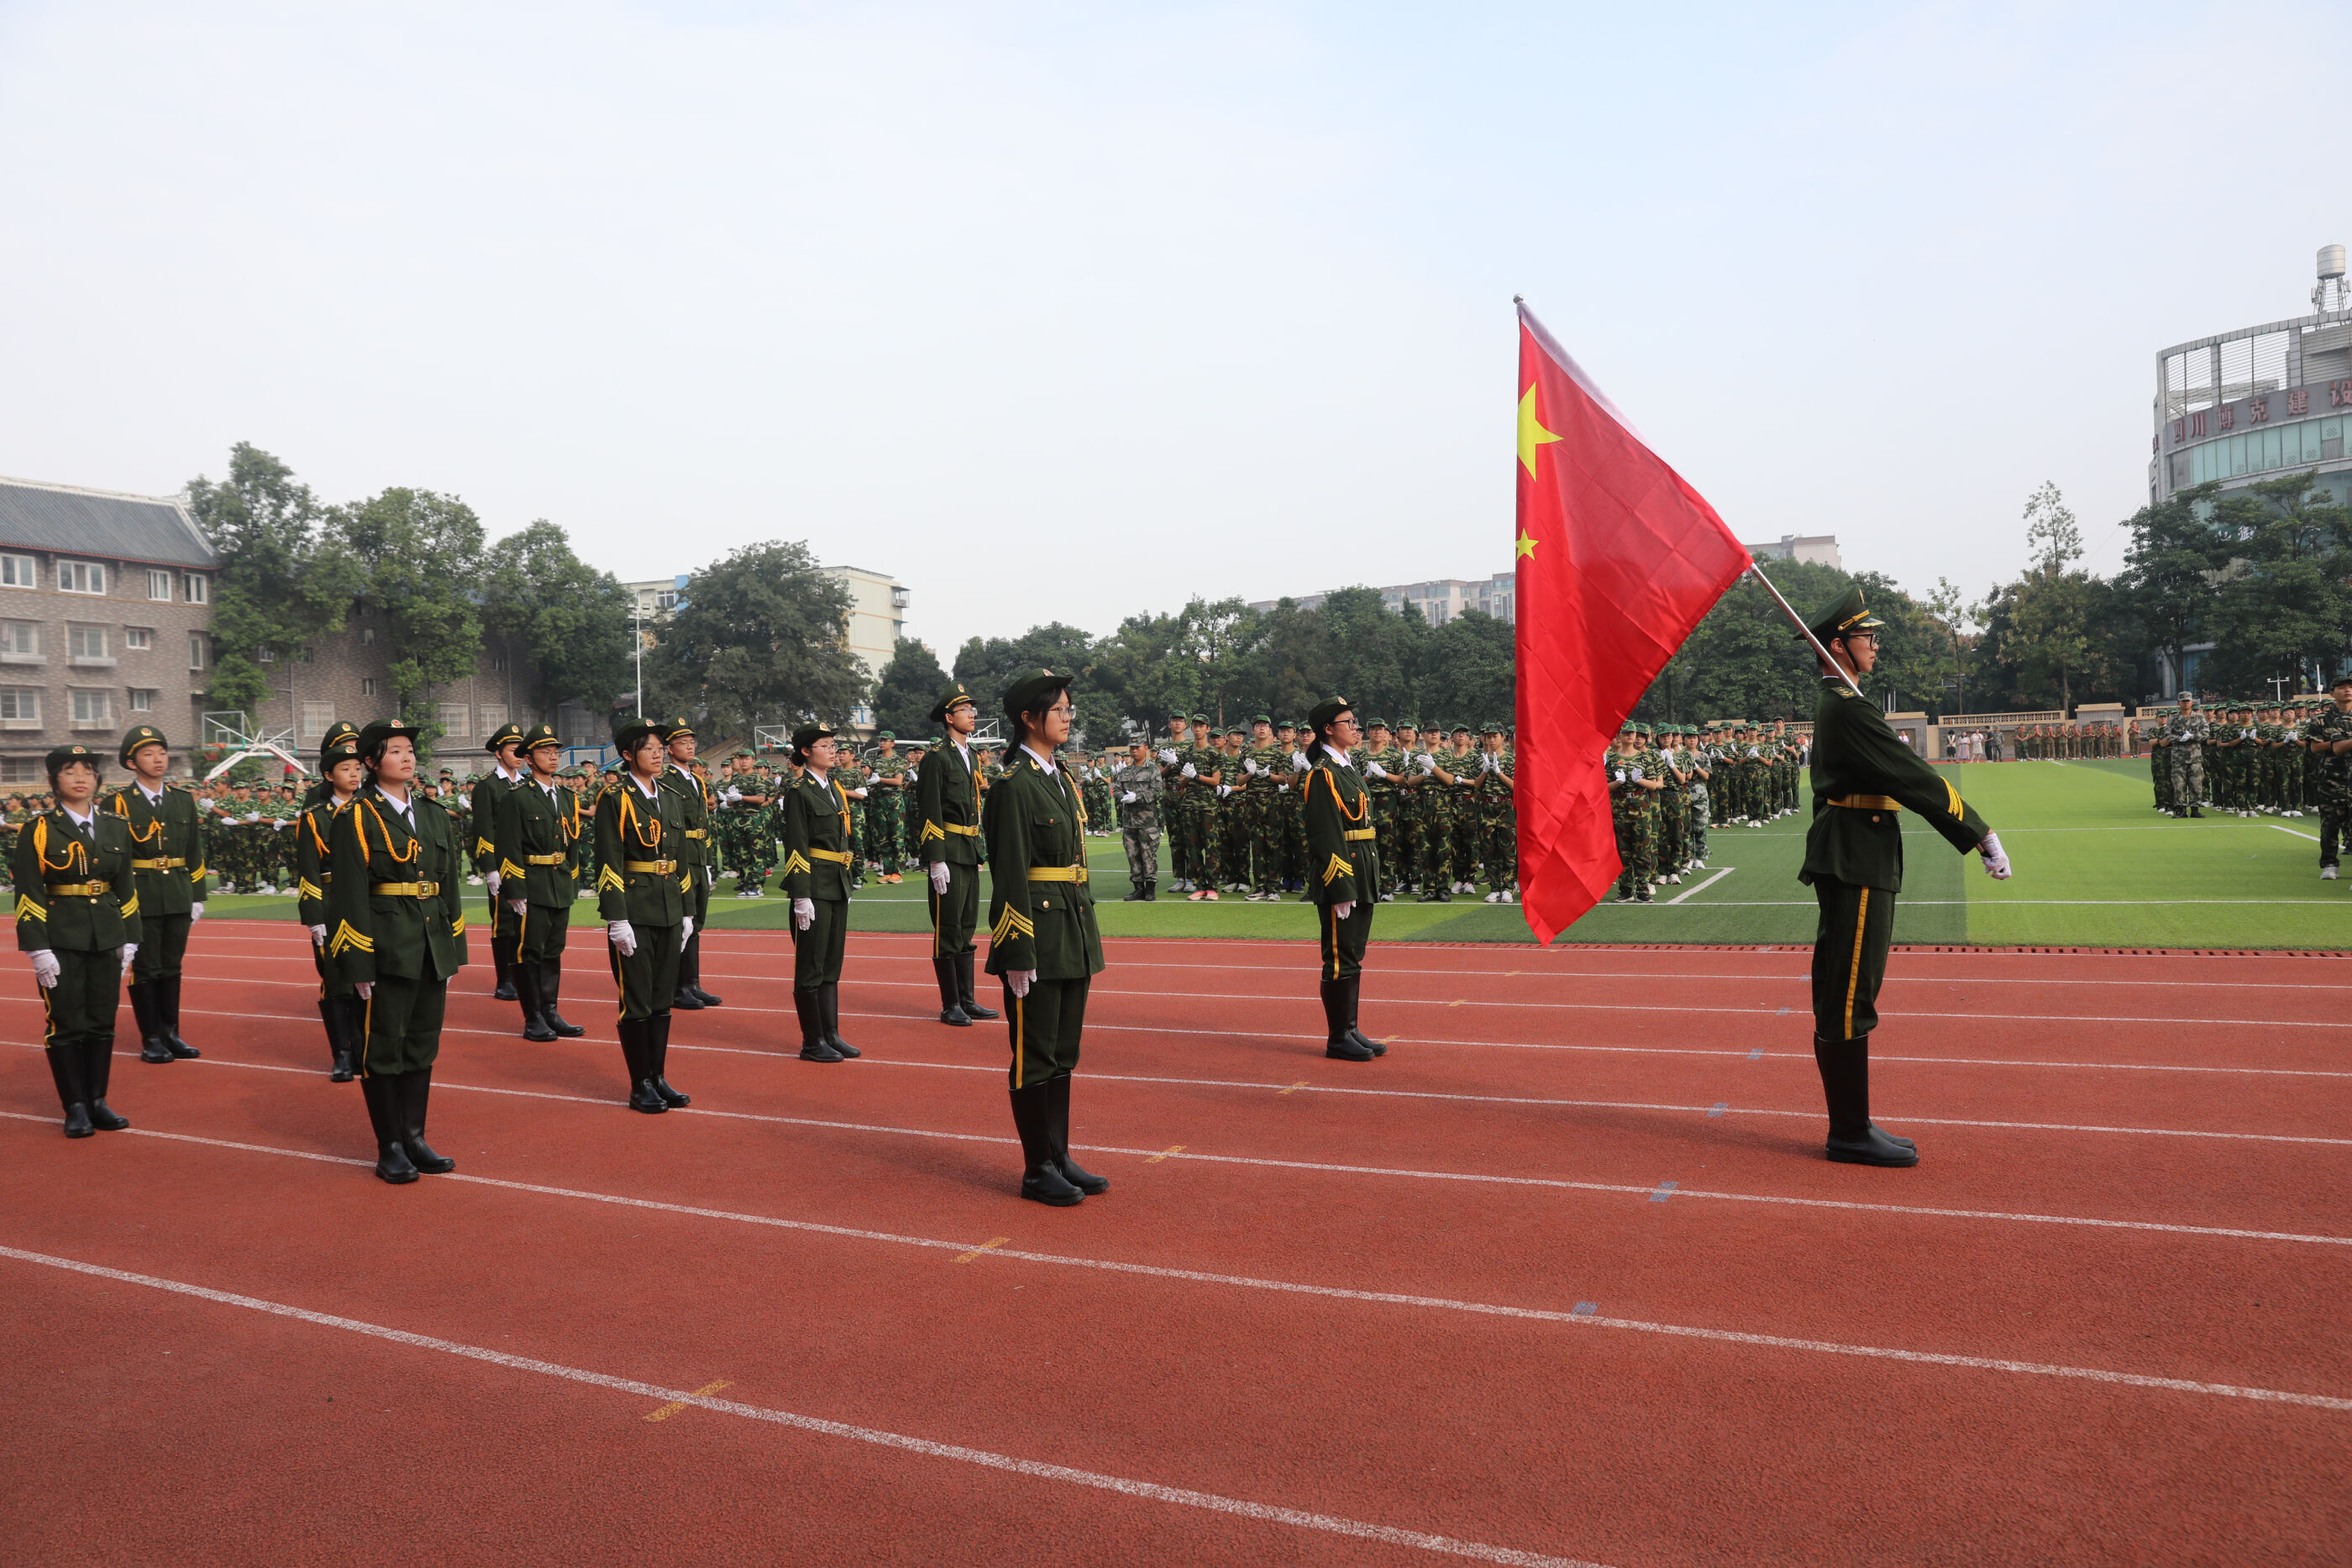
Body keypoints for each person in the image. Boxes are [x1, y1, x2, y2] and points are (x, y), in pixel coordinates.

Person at [1798, 588, 2008, 1168]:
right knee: (1849, 992)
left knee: (1845, 987)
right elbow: (1911, 776)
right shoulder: (1847, 706)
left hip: (1853, 849)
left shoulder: (1843, 701)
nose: (1875, 644)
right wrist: (1979, 832)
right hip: (1856, 855)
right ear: (1838, 645)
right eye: (1865, 636)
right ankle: (1848, 1132)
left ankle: (1854, 1122)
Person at [983, 669, 1107, 1206]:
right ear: (1028, 718)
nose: (1067, 717)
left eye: (1068, 709)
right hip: (1035, 933)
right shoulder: (1014, 785)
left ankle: (1059, 1155)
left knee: (1063, 1053)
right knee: (1034, 1053)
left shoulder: (1059, 777)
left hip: (1072, 928)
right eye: (1058, 710)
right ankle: (1037, 1169)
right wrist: (1016, 949)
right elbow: (1010, 872)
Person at [324, 718, 468, 1183]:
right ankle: (389, 1146)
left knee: (423, 1043)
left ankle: (414, 1137)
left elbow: (448, 884)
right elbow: (348, 893)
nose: (407, 757)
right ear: (371, 762)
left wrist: (452, 948)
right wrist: (358, 962)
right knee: (384, 1046)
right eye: (395, 751)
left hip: (430, 944)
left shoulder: (431, 812)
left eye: (409, 749)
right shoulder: (356, 816)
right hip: (386, 945)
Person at [17, 744, 139, 1137]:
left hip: (107, 935)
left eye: (87, 770)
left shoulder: (115, 825)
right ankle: (75, 1106)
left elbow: (126, 887)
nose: (80, 778)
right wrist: (38, 949)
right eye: (70, 771)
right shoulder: (38, 829)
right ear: (54, 780)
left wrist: (131, 939)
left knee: (102, 1021)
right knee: (67, 1022)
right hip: (61, 937)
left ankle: (97, 1100)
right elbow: (28, 892)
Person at [596, 716, 694, 1109]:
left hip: (669, 907)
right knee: (637, 999)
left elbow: (680, 859)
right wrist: (617, 919)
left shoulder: (669, 796)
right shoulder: (615, 798)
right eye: (648, 748)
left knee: (662, 999)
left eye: (660, 748)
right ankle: (640, 1084)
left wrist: (687, 911)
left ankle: (658, 1076)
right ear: (627, 755)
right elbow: (608, 861)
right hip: (635, 910)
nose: (658, 754)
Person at [105, 725, 206, 1064]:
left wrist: (197, 895)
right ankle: (151, 1038)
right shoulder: (117, 802)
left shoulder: (182, 799)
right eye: (148, 754)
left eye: (162, 753)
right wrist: (119, 903)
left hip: (177, 891)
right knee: (146, 967)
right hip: (140, 895)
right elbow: (114, 858)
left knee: (172, 965)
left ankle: (171, 1033)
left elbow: (194, 850)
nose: (158, 759)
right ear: (131, 763)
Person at [1299, 697, 1385, 1062]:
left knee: (1353, 953)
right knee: (1338, 957)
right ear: (1328, 729)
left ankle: (1350, 1029)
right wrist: (1340, 886)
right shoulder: (1323, 773)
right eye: (1348, 722)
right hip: (1344, 874)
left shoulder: (1346, 767)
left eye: (1355, 721)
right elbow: (1325, 834)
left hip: (1361, 869)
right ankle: (1338, 1037)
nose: (1356, 727)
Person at [495, 723, 586, 1043]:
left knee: (553, 950)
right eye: (545, 752)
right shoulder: (517, 798)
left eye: (555, 752)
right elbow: (508, 846)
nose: (553, 757)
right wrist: (515, 890)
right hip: (532, 883)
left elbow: (573, 843)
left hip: (559, 882)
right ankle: (533, 1016)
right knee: (529, 950)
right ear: (529, 759)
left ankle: (550, 1011)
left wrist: (572, 880)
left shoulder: (567, 797)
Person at [776, 722, 860, 1062]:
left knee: (831, 964)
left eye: (833, 745)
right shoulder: (799, 791)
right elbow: (796, 846)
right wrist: (801, 896)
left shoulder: (834, 787)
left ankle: (831, 1034)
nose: (832, 750)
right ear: (806, 751)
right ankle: (812, 1041)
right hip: (813, 886)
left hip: (836, 882)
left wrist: (847, 879)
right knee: (811, 965)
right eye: (825, 745)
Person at [918, 683, 997, 1027]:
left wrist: (979, 848)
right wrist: (936, 859)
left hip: (968, 849)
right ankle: (950, 1004)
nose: (972, 715)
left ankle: (967, 999)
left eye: (972, 709)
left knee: (966, 926)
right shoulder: (937, 757)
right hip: (948, 850)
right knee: (947, 928)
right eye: (965, 710)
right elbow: (929, 809)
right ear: (949, 717)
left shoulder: (971, 755)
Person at [296, 726, 365, 1080]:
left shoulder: (371, 808)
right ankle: (342, 1053)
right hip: (332, 902)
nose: (354, 774)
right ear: (328, 773)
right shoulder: (316, 813)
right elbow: (308, 867)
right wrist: (315, 916)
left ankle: (364, 1049)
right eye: (345, 767)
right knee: (336, 979)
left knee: (367, 977)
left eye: (357, 767)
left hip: (367, 903)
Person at [656, 717, 723, 1009]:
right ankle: (676, 987)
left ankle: (692, 983)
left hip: (697, 857)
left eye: (691, 741)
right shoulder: (665, 780)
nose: (690, 746)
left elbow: (702, 822)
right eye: (683, 742)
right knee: (679, 924)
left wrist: (706, 862)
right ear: (670, 749)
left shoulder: (696, 780)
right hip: (680, 858)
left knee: (695, 923)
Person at [470, 723, 527, 1001]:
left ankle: (522, 975)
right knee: (504, 922)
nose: (519, 755)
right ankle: (504, 979)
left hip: (526, 863)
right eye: (513, 750)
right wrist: (491, 869)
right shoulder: (488, 786)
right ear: (498, 753)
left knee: (526, 922)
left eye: (522, 750)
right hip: (502, 866)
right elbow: (483, 830)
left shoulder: (527, 784)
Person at [2307, 675, 2352, 879]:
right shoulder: (2321, 719)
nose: (2347, 690)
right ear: (2332, 693)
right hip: (2332, 777)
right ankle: (2330, 864)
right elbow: (2315, 747)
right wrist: (2339, 742)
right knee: (2330, 823)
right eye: (2342, 687)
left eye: (2350, 687)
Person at [1112, 737, 1164, 899]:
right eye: (1132, 748)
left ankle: (1150, 889)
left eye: (1137, 747)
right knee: (1132, 855)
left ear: (1146, 748)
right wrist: (1123, 797)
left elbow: (1157, 790)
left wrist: (1138, 797)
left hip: (1147, 822)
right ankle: (1138, 888)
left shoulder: (1153, 769)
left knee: (1148, 855)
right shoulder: (1125, 771)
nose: (1134, 751)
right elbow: (1117, 789)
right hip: (1129, 821)